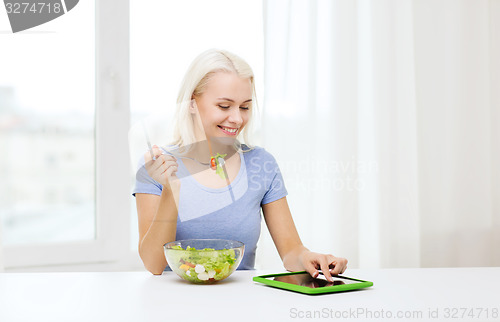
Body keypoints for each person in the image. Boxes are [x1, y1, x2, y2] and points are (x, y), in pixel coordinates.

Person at [133, 49, 347, 282]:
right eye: (224, 106)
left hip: (243, 303)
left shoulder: (261, 164)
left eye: (244, 107)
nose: (237, 119)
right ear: (192, 103)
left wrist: (309, 257)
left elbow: (291, 251)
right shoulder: (157, 166)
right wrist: (170, 190)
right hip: (172, 305)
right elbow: (154, 264)